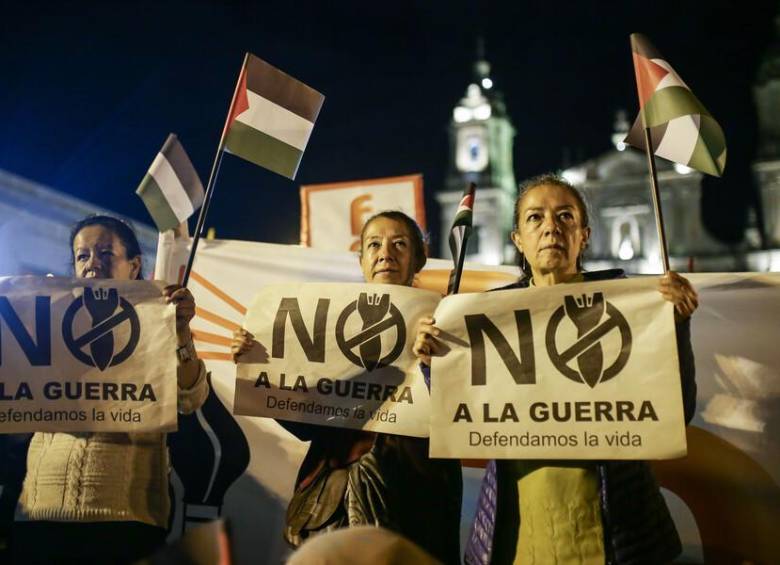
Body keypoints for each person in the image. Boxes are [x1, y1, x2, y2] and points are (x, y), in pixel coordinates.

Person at [415, 174, 698, 565]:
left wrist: (677, 326)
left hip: (618, 536)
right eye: (535, 218)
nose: (551, 227)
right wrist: (434, 362)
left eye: (565, 216)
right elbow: (460, 414)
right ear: (518, 239)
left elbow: (675, 411)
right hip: (517, 534)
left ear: (584, 235)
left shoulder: (632, 306)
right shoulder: (485, 317)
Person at [232, 211, 462, 564]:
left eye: (399, 244)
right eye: (374, 244)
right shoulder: (326, 326)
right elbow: (305, 423)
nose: (386, 252)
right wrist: (257, 370)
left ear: (419, 258)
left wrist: (435, 367)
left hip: (412, 506)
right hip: (331, 508)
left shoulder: (446, 323)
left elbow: (465, 419)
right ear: (362, 260)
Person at [12, 215, 209, 565]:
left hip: (126, 520)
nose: (93, 264)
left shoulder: (159, 319)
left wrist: (180, 333)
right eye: (83, 255)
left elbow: (190, 398)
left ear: (134, 266)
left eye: (105, 253)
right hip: (39, 513)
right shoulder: (47, 320)